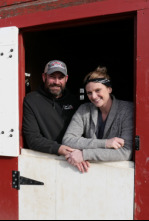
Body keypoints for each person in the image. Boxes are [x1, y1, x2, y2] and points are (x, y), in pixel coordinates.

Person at [62, 66, 134, 167]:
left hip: (116, 174)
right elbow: (68, 140)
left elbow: (126, 152)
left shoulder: (127, 110)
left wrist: (84, 154)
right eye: (89, 93)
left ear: (109, 89)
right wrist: (105, 143)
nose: (94, 96)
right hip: (88, 172)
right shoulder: (84, 109)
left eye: (98, 90)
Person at [23, 60, 81, 158]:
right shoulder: (31, 100)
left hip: (75, 156)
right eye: (52, 77)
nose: (56, 82)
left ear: (66, 79)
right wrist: (58, 149)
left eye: (61, 77)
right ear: (44, 77)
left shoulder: (74, 101)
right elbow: (33, 139)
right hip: (46, 159)